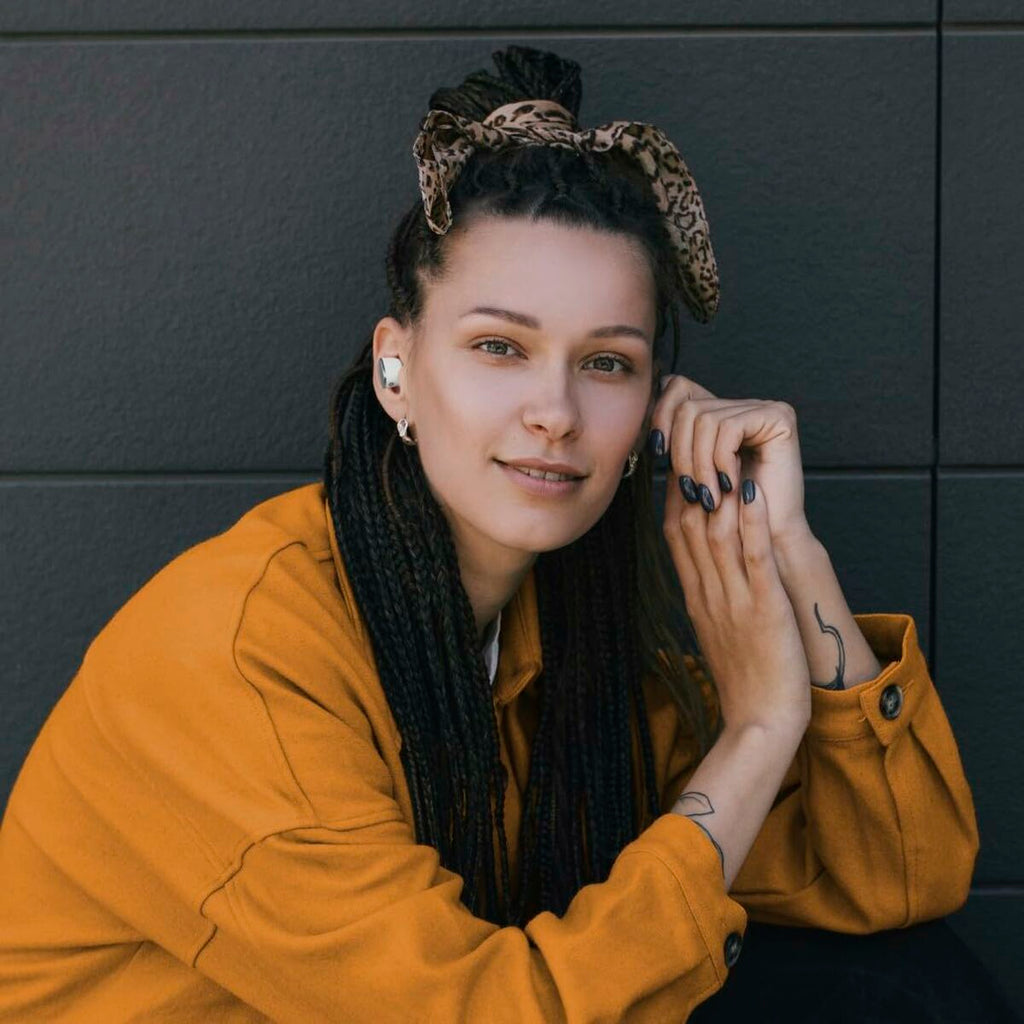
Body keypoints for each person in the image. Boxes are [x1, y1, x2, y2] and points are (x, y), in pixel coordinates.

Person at [0, 43, 1017, 1024]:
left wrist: (789, 549)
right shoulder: (236, 655)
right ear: (396, 368)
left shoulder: (563, 643)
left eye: (607, 363)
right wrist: (755, 732)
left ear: (650, 409)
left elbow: (898, 877)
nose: (556, 412)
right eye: (499, 346)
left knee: (904, 987)